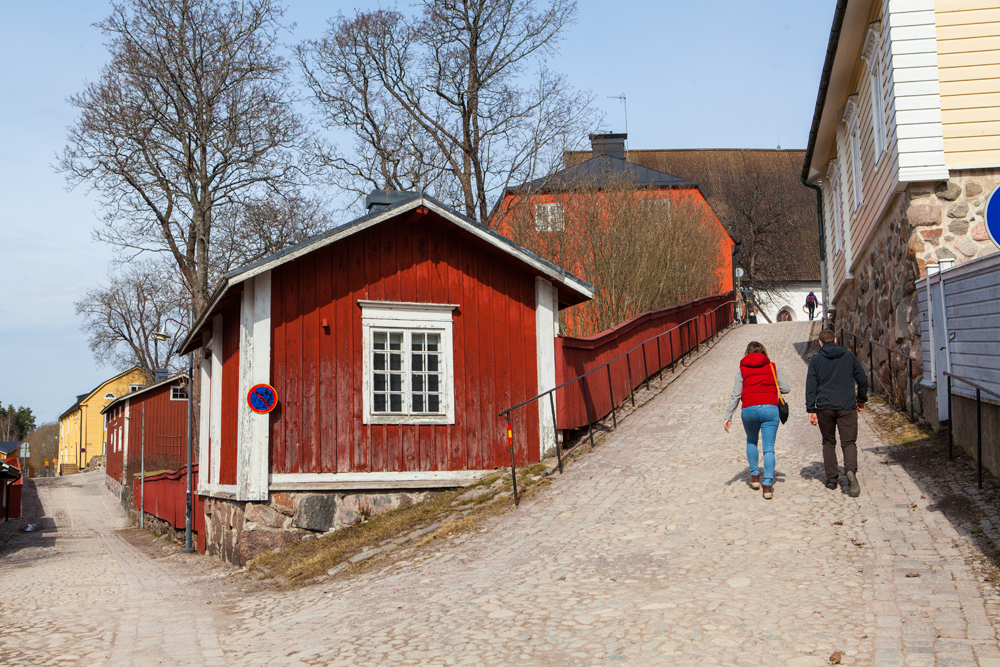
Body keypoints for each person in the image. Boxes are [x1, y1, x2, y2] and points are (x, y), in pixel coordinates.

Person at [724, 341, 791, 500]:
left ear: (747, 353)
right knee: (769, 448)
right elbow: (786, 388)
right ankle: (767, 485)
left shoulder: (742, 369)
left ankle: (754, 477)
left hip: (749, 410)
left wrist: (728, 415)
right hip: (770, 409)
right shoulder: (772, 367)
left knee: (751, 441)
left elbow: (736, 394)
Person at [805, 330, 868, 497]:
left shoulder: (816, 360)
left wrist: (811, 409)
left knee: (828, 442)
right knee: (849, 442)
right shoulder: (848, 355)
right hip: (847, 405)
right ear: (835, 340)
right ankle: (850, 471)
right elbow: (862, 378)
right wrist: (861, 399)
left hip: (824, 407)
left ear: (820, 343)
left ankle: (832, 480)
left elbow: (811, 386)